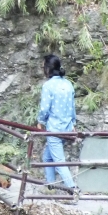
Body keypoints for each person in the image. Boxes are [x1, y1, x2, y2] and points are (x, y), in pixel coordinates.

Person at [36, 54, 79, 191]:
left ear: (48, 69)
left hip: (54, 128)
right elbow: (72, 107)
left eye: (43, 67)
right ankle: (50, 186)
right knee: (47, 157)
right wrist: (73, 123)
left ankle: (73, 189)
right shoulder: (68, 84)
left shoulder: (48, 86)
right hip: (66, 127)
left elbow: (44, 108)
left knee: (59, 161)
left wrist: (40, 121)